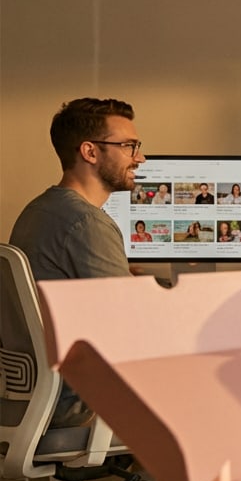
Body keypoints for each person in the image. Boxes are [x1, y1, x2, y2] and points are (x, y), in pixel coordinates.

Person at [8, 97, 145, 427]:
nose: (139, 158)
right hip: (74, 403)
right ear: (90, 152)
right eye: (128, 146)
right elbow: (134, 329)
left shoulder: (38, 210)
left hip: (29, 396)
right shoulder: (87, 224)